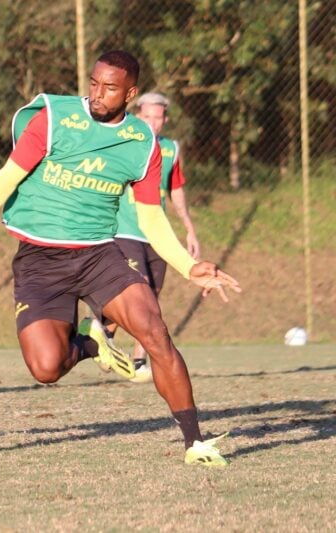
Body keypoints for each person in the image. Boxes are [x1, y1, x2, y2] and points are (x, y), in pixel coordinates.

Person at [0, 50, 241, 467]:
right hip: (39, 260)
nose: (97, 94)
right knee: (46, 368)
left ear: (131, 93)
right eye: (93, 83)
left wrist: (189, 266)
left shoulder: (142, 144)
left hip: (99, 255)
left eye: (109, 88)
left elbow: (150, 217)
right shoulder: (54, 119)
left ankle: (194, 442)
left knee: (155, 334)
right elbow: (6, 177)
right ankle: (90, 343)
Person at [107, 91, 201, 383]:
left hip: (155, 233)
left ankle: (132, 356)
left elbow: (176, 189)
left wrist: (188, 227)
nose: (152, 122)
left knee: (152, 297)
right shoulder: (122, 144)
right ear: (136, 116)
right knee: (140, 290)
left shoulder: (170, 149)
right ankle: (104, 339)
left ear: (165, 120)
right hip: (124, 229)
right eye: (147, 116)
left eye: (158, 117)